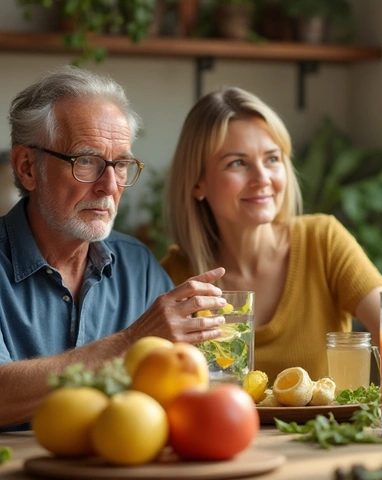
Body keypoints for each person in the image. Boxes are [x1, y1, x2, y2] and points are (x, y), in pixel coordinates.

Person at [161, 87, 382, 408]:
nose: (262, 178)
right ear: (197, 182)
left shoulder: (322, 240)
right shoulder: (172, 276)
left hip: (325, 446)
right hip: (224, 450)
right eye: (237, 163)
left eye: (272, 159)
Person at [0, 66, 227, 431]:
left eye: (120, 164)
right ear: (28, 167)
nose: (109, 186)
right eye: (86, 161)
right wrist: (131, 342)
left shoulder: (136, 263)